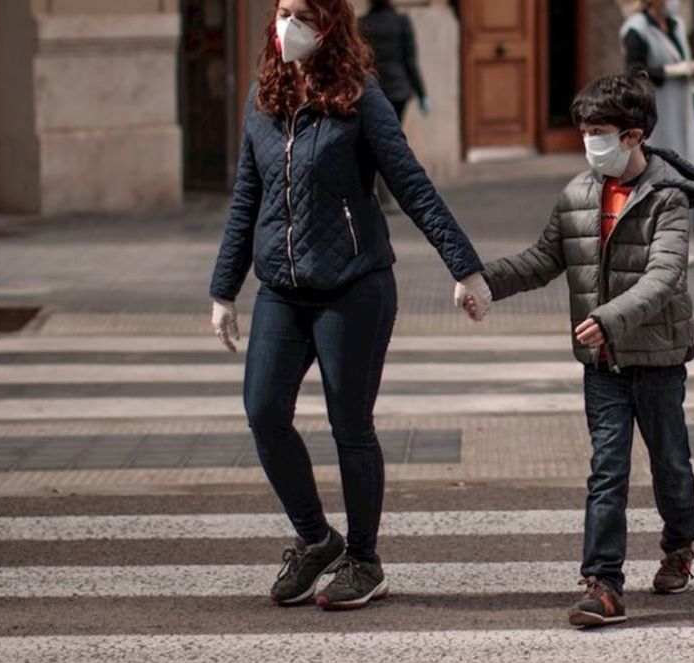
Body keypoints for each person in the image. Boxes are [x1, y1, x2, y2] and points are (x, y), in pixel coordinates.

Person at [209, 0, 490, 612]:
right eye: (283, 12)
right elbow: (244, 201)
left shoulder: (361, 97)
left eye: (302, 14)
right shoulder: (263, 100)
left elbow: (411, 184)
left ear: (330, 25)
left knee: (350, 426)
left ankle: (365, 560)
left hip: (354, 286)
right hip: (282, 289)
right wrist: (223, 289)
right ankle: (316, 539)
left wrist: (465, 267)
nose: (288, 26)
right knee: (263, 411)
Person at [477, 70, 694, 626]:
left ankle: (680, 542)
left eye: (600, 131)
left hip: (657, 359)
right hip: (603, 365)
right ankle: (602, 582)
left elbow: (664, 278)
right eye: (584, 130)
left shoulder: (668, 200)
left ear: (633, 135)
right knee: (607, 469)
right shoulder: (578, 194)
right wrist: (486, 282)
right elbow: (542, 259)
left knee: (670, 466)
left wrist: (607, 318)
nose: (590, 142)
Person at [359, 0, 429, 213]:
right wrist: (422, 94)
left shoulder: (362, 24)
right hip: (399, 91)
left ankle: (385, 197)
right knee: (388, 144)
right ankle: (389, 196)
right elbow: (410, 60)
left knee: (374, 146)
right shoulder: (401, 22)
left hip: (372, 91)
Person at [621, 0, 694, 167]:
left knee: (683, 163)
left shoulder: (676, 25)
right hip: (657, 107)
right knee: (659, 163)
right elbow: (634, 71)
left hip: (681, 105)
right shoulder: (636, 29)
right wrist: (669, 71)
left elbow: (682, 55)